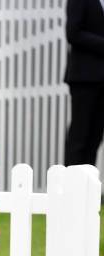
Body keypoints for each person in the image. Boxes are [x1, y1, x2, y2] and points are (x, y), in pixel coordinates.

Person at [64, 0, 104, 166]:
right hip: (84, 77)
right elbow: (73, 33)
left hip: (102, 79)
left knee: (95, 138)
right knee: (80, 136)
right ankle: (70, 184)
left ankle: (88, 186)